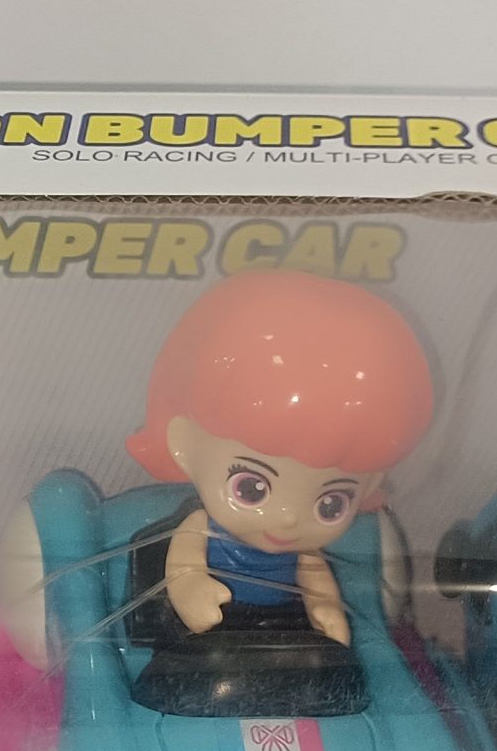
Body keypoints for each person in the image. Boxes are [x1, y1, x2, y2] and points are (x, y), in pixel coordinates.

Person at [122, 271, 434, 716]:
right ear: (185, 444)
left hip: (286, 633)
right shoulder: (201, 527)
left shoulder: (304, 552)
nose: (288, 518)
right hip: (209, 631)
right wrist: (192, 589)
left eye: (330, 503)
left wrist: (325, 609)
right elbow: (184, 566)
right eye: (252, 487)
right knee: (213, 666)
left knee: (325, 671)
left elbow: (315, 580)